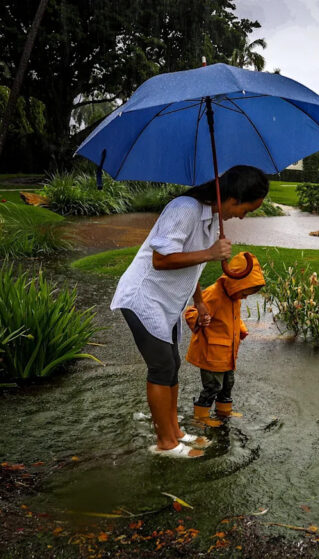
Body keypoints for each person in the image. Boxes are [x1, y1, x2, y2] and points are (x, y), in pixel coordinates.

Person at [111, 165, 268, 458]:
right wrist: (211, 253)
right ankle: (165, 444)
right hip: (143, 297)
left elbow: (192, 267)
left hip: (169, 302)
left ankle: (175, 432)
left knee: (171, 364)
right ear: (233, 197)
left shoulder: (211, 221)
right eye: (248, 208)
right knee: (162, 367)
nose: (245, 215)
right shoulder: (184, 208)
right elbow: (161, 259)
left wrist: (199, 300)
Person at [183, 251, 265, 427]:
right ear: (236, 283)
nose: (245, 297)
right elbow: (191, 312)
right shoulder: (215, 294)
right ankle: (201, 417)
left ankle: (223, 412)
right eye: (244, 293)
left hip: (227, 354)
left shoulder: (234, 297)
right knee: (212, 387)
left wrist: (241, 329)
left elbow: (233, 318)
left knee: (228, 384)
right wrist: (199, 318)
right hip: (211, 355)